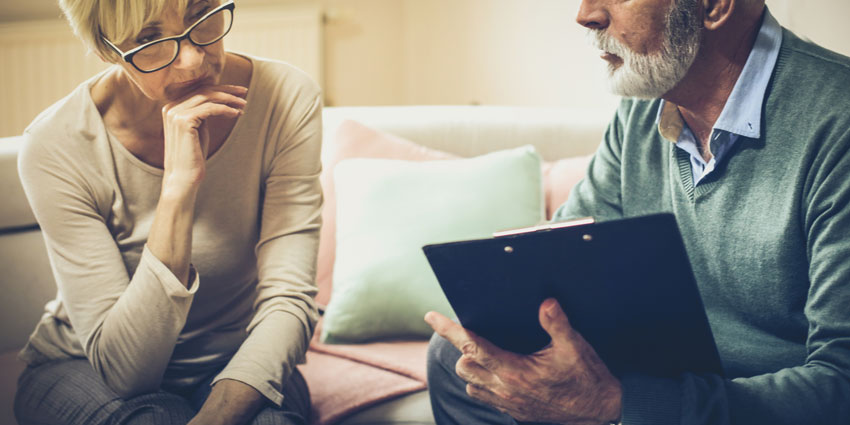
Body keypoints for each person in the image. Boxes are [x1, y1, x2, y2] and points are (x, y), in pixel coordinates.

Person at [425, 0, 850, 423]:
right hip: (660, 376)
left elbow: (841, 382)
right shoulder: (644, 106)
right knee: (459, 357)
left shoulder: (838, 121)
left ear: (714, 6)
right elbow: (559, 264)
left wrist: (621, 405)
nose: (586, 14)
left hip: (761, 401)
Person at [13, 0, 323, 424]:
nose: (193, 58)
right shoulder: (55, 146)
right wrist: (177, 188)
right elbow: (126, 371)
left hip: (241, 355)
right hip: (85, 366)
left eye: (201, 15)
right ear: (107, 49)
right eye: (149, 38)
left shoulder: (285, 96)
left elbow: (288, 297)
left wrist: (217, 415)